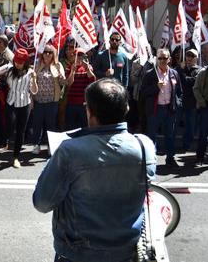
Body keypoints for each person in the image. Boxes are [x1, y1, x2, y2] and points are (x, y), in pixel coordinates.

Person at [33, 78, 156, 262]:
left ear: (89, 111)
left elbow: (42, 202)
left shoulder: (69, 151)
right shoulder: (144, 146)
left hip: (77, 253)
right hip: (127, 252)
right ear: (126, 109)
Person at [0, 48, 33, 168]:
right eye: (16, 61)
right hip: (11, 103)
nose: (18, 64)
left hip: (24, 103)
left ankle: (15, 157)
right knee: (8, 130)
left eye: (21, 62)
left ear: (25, 62)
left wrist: (35, 80)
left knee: (21, 132)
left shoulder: (31, 72)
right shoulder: (9, 68)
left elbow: (33, 91)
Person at [141, 49, 183, 167]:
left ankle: (170, 158)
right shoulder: (150, 74)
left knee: (170, 135)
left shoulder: (174, 73)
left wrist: (178, 104)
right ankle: (151, 160)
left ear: (169, 59)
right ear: (156, 59)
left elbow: (179, 92)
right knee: (152, 136)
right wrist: (156, 87)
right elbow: (143, 93)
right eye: (160, 58)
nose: (163, 60)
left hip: (170, 109)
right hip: (155, 110)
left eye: (165, 58)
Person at [29, 44, 66, 154]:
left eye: (50, 52)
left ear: (54, 54)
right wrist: (31, 99)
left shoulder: (58, 65)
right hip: (38, 100)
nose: (48, 54)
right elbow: (31, 83)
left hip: (52, 101)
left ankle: (51, 146)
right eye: (45, 52)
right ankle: (36, 145)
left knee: (51, 125)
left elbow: (63, 83)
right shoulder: (37, 64)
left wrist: (62, 77)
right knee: (37, 124)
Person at [64, 49, 96, 130]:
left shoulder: (88, 67)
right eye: (77, 55)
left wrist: (87, 68)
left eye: (81, 56)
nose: (79, 58)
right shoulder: (69, 68)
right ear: (73, 56)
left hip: (83, 103)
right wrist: (72, 72)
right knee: (71, 127)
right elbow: (69, 83)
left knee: (84, 126)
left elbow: (92, 80)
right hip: (71, 103)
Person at [176, 48, 201, 151]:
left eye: (192, 56)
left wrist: (182, 72)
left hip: (191, 102)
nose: (189, 58)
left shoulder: (199, 70)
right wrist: (181, 70)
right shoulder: (180, 68)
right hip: (179, 100)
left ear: (196, 58)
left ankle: (186, 145)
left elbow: (189, 82)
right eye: (188, 55)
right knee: (174, 123)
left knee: (190, 125)